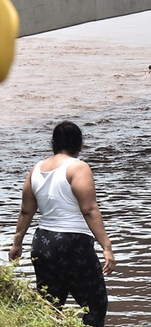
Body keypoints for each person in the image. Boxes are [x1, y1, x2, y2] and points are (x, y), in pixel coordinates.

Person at [8, 121, 115, 327]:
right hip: (72, 242)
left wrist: (17, 243)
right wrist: (107, 247)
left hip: (43, 242)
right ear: (80, 145)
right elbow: (89, 209)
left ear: (53, 143)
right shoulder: (78, 167)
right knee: (95, 307)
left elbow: (26, 210)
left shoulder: (36, 169)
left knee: (50, 307)